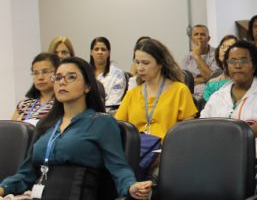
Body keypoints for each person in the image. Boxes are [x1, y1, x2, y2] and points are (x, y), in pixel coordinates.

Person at [0, 57, 152, 199]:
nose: (62, 82)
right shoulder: (45, 125)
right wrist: (2, 188)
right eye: (58, 78)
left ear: (87, 86)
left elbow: (118, 166)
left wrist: (131, 186)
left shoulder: (102, 122)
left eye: (71, 77)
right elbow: (26, 174)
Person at [200, 40, 257, 194]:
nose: (237, 66)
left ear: (255, 64)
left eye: (243, 61)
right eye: (232, 61)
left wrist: (234, 135)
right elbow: (203, 126)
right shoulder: (218, 96)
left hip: (256, 160)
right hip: (218, 158)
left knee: (243, 193)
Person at [116, 39, 198, 143]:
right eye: (137, 62)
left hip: (168, 151)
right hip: (137, 152)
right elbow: (118, 128)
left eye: (145, 63)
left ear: (161, 63)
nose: (140, 68)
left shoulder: (180, 90)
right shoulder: (132, 94)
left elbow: (188, 132)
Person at [11, 53, 61, 123]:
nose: (40, 77)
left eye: (46, 72)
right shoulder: (24, 103)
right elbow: (11, 129)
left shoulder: (62, 103)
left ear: (58, 73)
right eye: (36, 73)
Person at [180, 25, 219, 96]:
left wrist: (197, 57)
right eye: (196, 34)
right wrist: (204, 79)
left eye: (202, 34)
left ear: (208, 38)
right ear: (192, 39)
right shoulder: (187, 57)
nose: (199, 37)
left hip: (210, 96)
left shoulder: (217, 54)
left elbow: (213, 78)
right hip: (189, 96)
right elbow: (181, 79)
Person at [89, 37, 126, 112]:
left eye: (103, 49)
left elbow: (112, 104)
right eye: (96, 49)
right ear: (91, 52)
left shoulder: (117, 75)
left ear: (109, 52)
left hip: (106, 116)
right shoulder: (84, 73)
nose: (99, 52)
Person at [203, 34, 238, 101]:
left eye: (230, 47)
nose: (225, 50)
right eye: (222, 46)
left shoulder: (242, 81)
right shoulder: (211, 83)